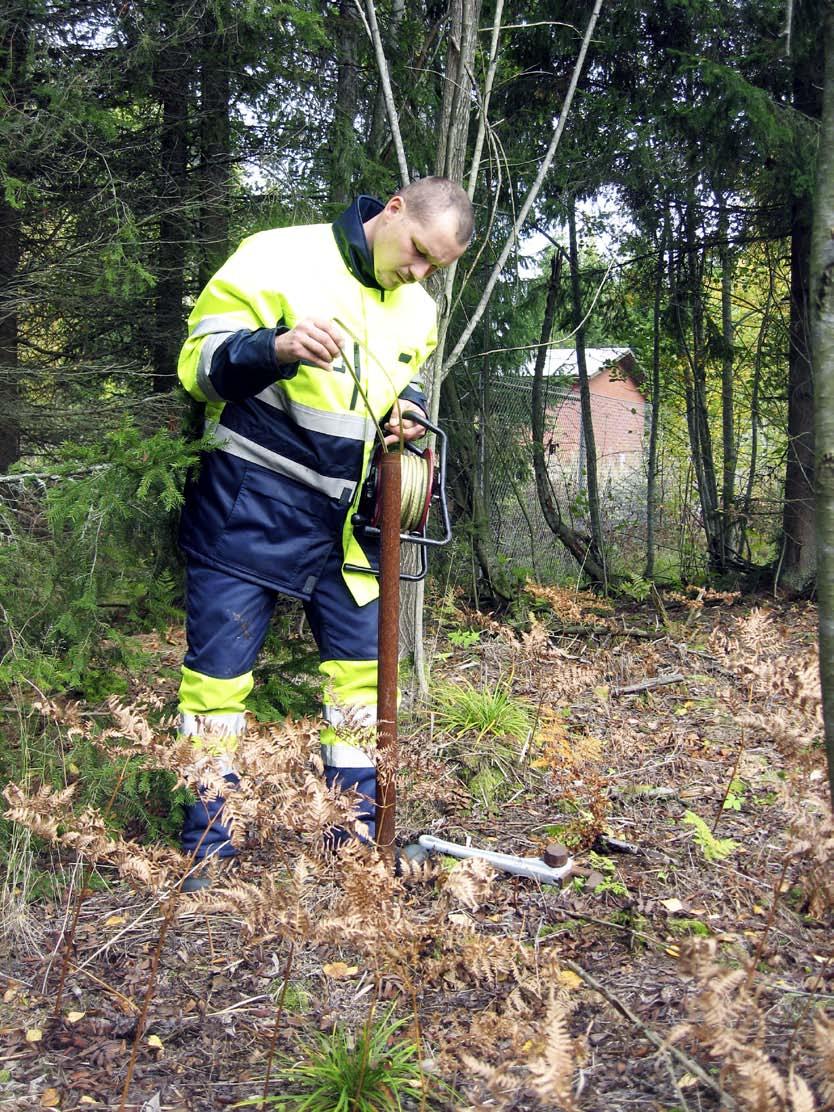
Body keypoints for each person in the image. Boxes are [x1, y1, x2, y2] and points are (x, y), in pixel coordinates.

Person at [175, 177, 474, 885]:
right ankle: (209, 848)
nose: (421, 273)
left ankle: (352, 839)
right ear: (393, 209)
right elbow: (198, 369)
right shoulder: (277, 256)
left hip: (353, 527)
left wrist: (409, 414)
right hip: (250, 507)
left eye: (438, 267)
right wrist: (272, 348)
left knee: (360, 687)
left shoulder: (418, 311)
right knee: (216, 685)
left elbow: (407, 384)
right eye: (419, 254)